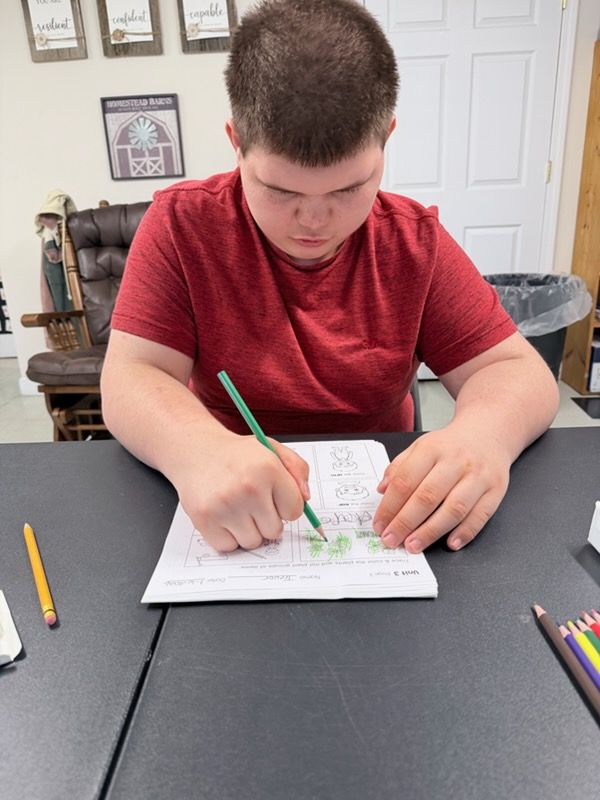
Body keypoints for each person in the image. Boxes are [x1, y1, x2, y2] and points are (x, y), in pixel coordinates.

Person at [102, 0, 559, 556]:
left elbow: (517, 372)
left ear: (386, 138)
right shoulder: (181, 224)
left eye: (348, 189)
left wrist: (482, 436)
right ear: (236, 142)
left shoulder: (413, 242)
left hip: (377, 512)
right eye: (281, 191)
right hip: (225, 500)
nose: (314, 222)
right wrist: (196, 447)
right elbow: (131, 377)